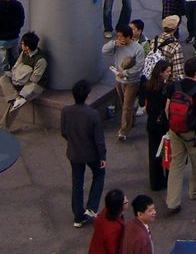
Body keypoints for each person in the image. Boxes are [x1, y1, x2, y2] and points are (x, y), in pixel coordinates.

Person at [164, 57, 196, 215]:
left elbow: (167, 109)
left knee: (176, 164)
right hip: (194, 134)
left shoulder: (174, 86)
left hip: (176, 131)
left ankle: (172, 201)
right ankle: (195, 191)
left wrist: (172, 125)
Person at [61, 79, 107, 228]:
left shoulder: (66, 111)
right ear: (87, 95)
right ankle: (91, 207)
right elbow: (99, 139)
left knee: (77, 183)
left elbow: (64, 132)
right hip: (91, 153)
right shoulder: (93, 114)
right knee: (99, 174)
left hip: (74, 152)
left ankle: (78, 216)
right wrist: (103, 156)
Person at [103, 25, 145, 142]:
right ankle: (131, 119)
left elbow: (139, 66)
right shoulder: (117, 45)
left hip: (132, 81)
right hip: (119, 80)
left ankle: (123, 131)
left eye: (121, 36)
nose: (119, 38)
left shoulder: (138, 49)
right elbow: (104, 50)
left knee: (126, 106)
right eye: (118, 36)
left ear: (128, 37)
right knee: (124, 103)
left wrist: (126, 73)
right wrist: (113, 43)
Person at [0, 32, 47, 131]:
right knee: (3, 79)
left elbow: (34, 79)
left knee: (19, 102)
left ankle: (3, 127)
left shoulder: (41, 60)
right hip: (19, 79)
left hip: (34, 85)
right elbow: (16, 66)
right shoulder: (23, 53)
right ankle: (14, 97)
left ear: (27, 47)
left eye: (22, 43)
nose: (21, 45)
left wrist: (21, 86)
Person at [138, 61, 171, 192]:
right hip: (163, 123)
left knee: (154, 152)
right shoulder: (167, 88)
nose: (169, 73)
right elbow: (167, 108)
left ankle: (155, 182)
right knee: (167, 152)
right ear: (161, 72)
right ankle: (168, 179)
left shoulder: (147, 86)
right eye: (167, 71)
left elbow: (142, 103)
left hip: (151, 123)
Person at [88, 189, 126, 254]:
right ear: (119, 206)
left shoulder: (105, 212)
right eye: (125, 202)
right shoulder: (114, 229)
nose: (128, 201)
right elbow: (113, 250)